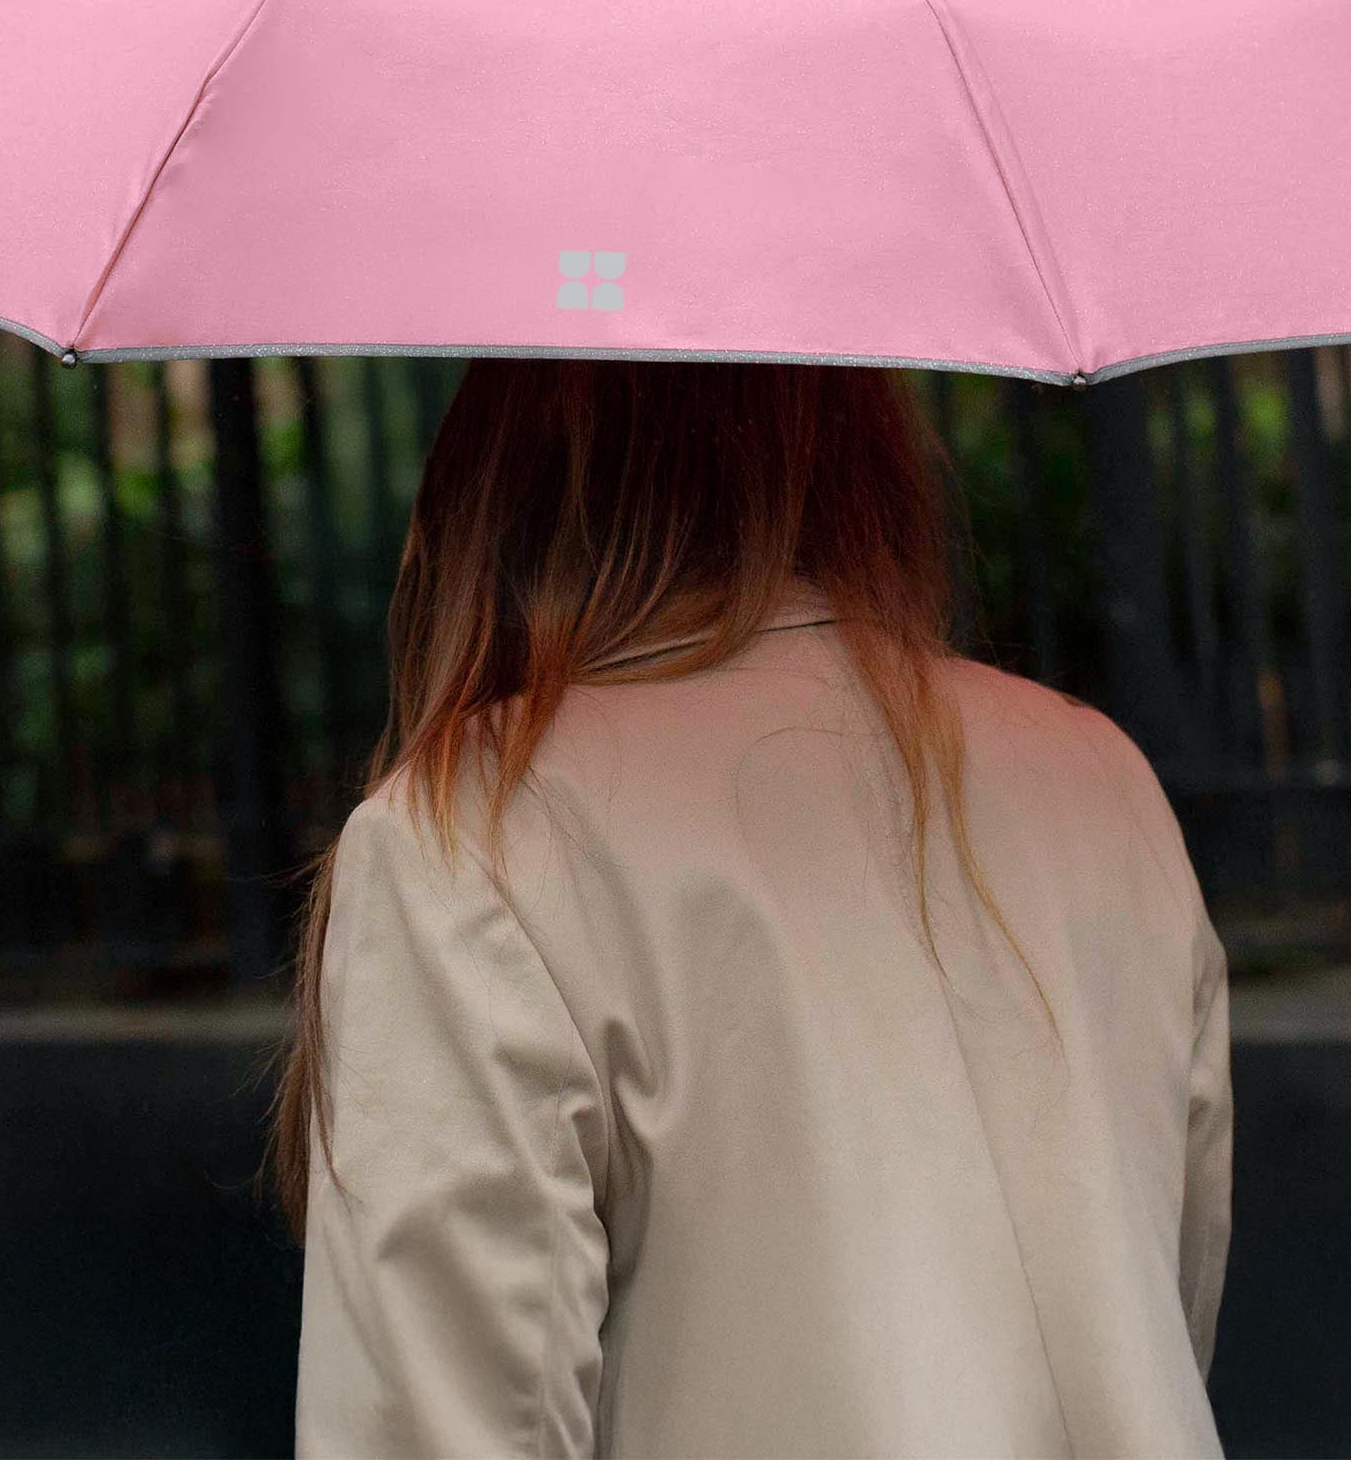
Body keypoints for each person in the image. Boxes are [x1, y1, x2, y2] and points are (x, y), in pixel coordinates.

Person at [273, 358, 1232, 1460]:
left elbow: (440, 1421)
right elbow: (1163, 1305)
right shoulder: (1094, 777)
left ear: (497, 470)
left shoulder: (469, 837)